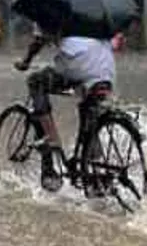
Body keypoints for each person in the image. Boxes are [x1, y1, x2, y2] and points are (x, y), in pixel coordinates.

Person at [14, 25, 118, 189]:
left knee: (36, 81)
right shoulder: (97, 10)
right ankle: (96, 166)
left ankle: (50, 144)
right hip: (105, 67)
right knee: (89, 110)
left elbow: (39, 40)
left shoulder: (52, 5)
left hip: (77, 64)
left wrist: (26, 61)